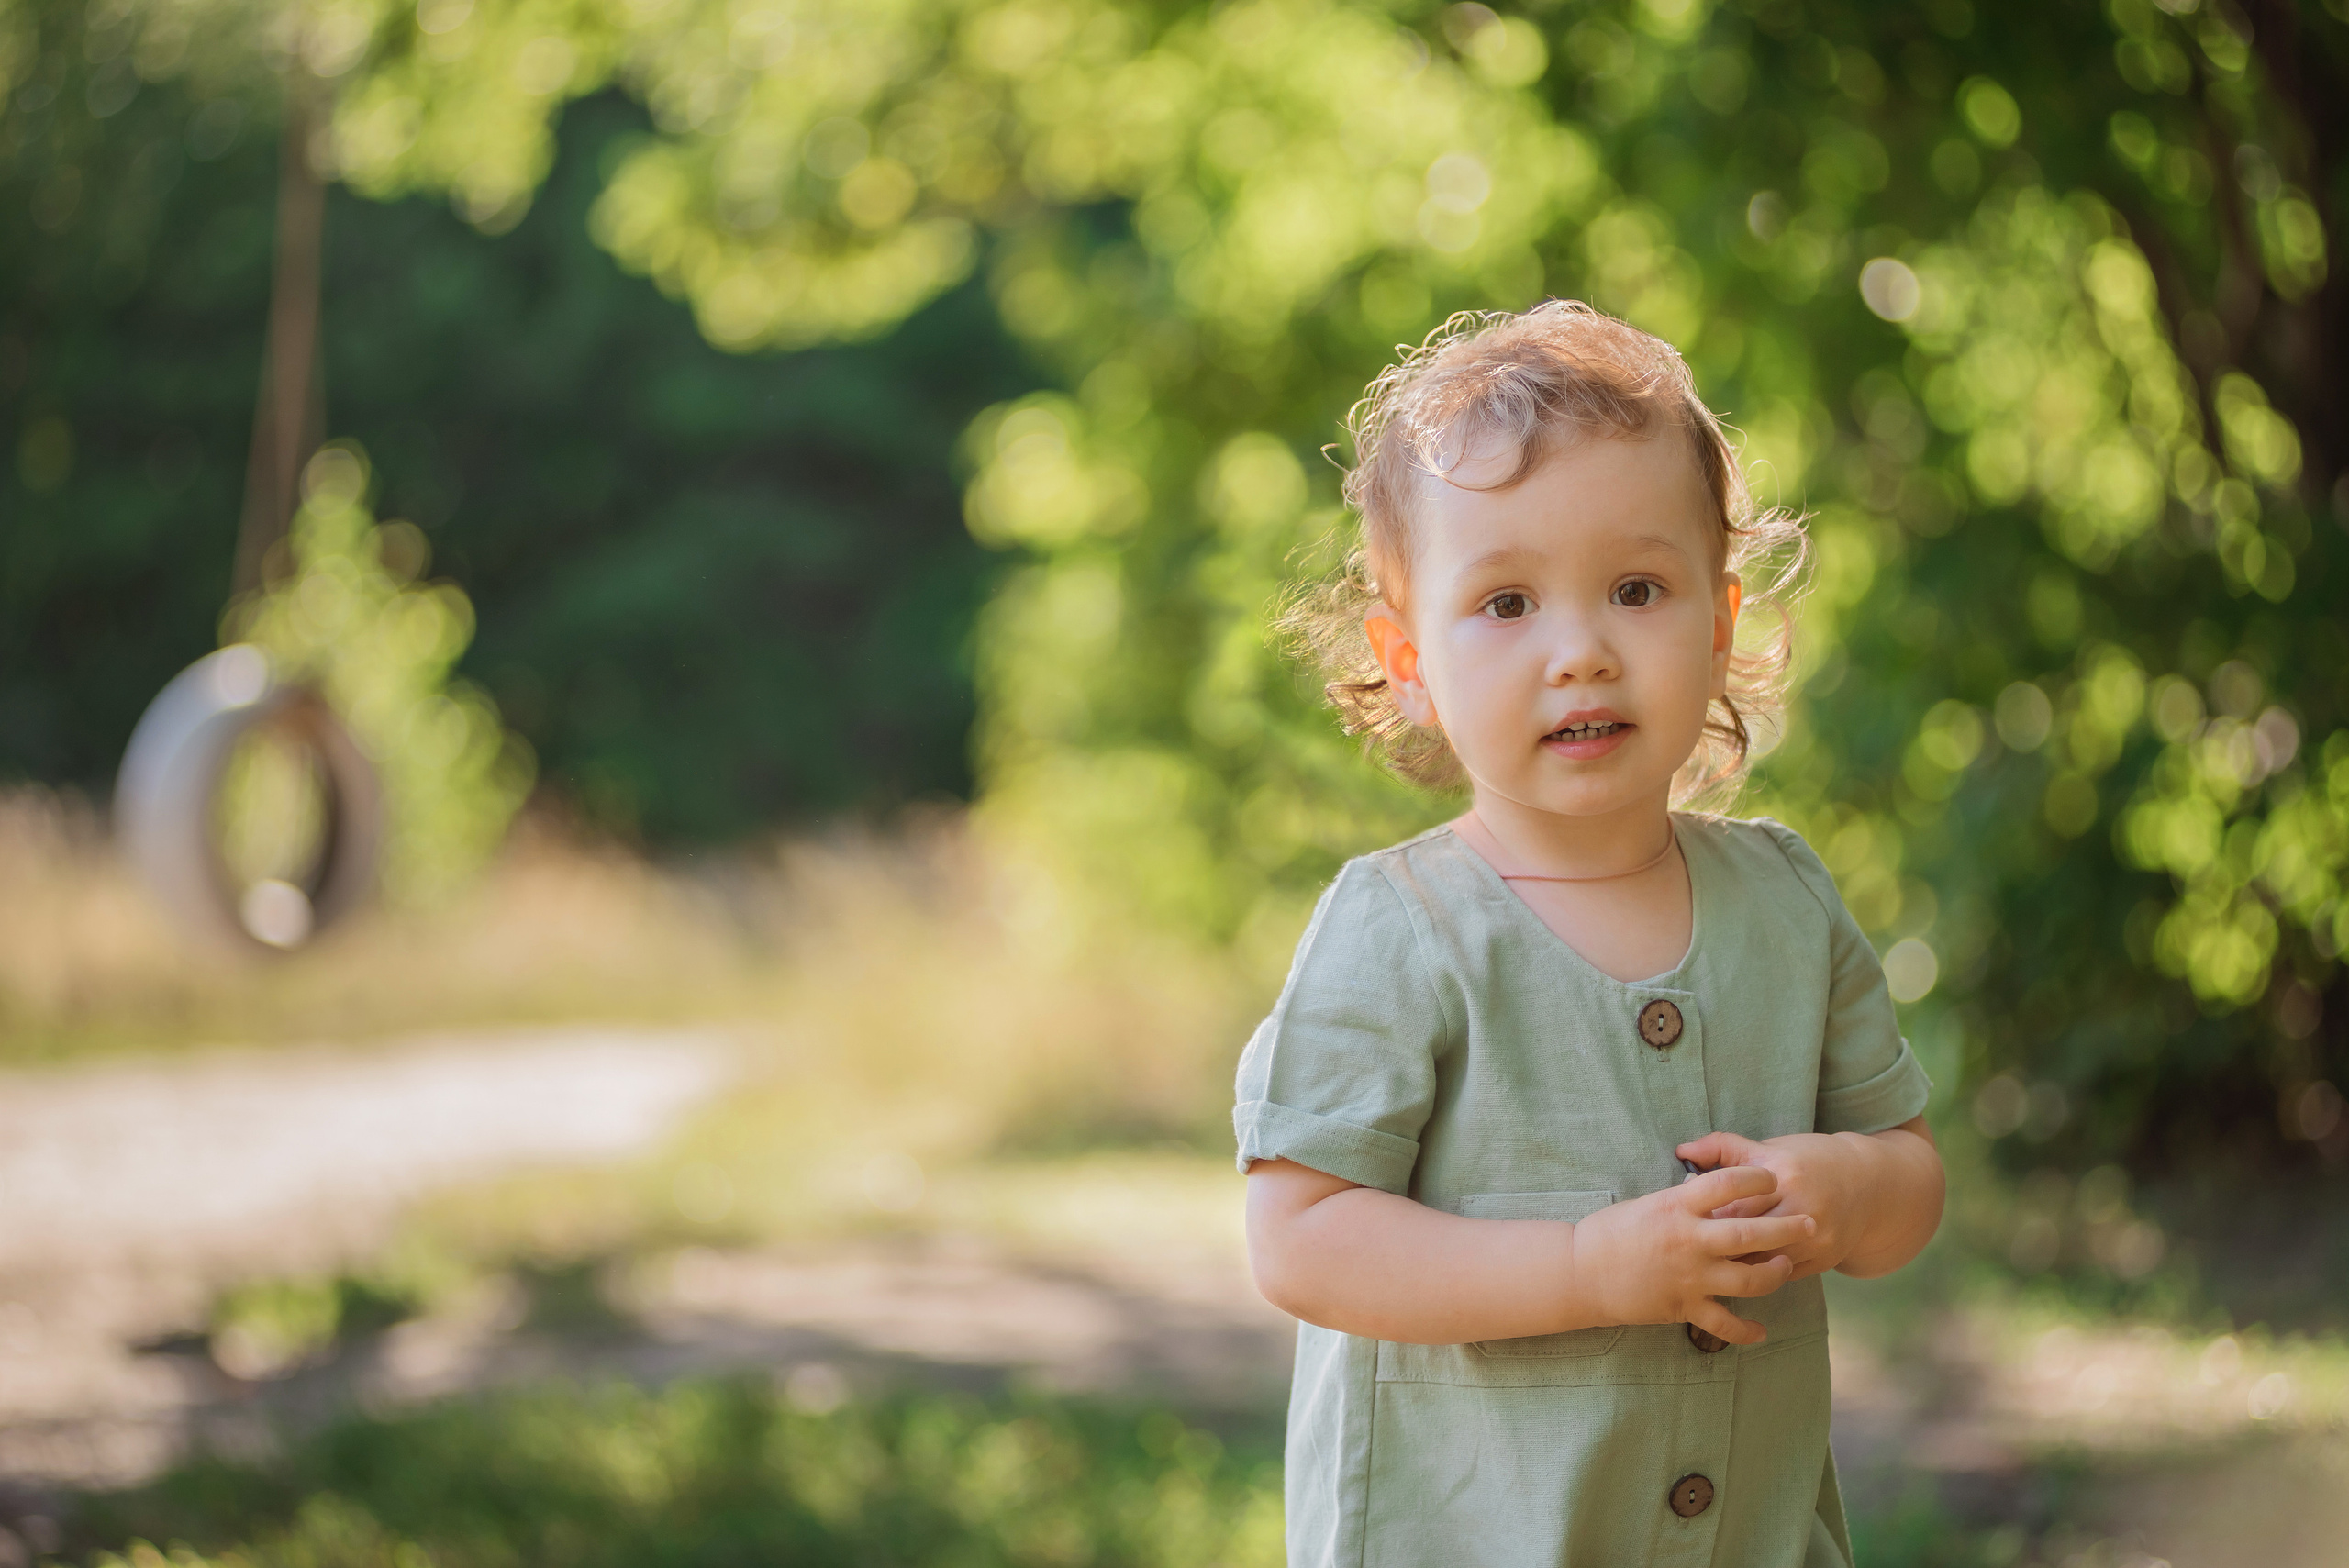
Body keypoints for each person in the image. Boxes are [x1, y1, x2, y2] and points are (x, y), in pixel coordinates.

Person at [1235, 300, 1945, 1568]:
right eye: (1506, 602)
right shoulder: (1403, 930)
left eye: (1635, 588)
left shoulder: (1783, 901)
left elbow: (1908, 1175)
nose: (1581, 652)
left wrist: (1839, 1191)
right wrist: (1587, 1266)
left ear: (1720, 616)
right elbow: (1301, 1236)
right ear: (1409, 660)